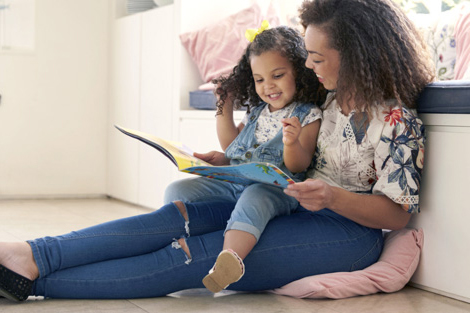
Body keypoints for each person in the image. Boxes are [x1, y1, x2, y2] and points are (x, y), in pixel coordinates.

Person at [0, 0, 434, 302]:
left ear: (356, 54)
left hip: (344, 233)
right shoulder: (327, 101)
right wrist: (231, 160)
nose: (309, 66)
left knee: (193, 258)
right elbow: (271, 131)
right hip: (287, 203)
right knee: (172, 219)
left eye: (317, 57)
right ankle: (32, 254)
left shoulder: (399, 122)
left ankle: (34, 283)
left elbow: (397, 214)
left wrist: (332, 197)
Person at [164, 23, 324, 293]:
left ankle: (229, 260)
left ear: (298, 71)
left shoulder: (307, 114)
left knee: (255, 197)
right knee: (177, 189)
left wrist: (292, 142)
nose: (268, 86)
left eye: (277, 75)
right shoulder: (257, 112)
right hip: (235, 181)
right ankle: (177, 240)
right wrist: (222, 113)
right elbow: (232, 147)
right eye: (259, 79)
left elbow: (300, 165)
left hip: (276, 190)